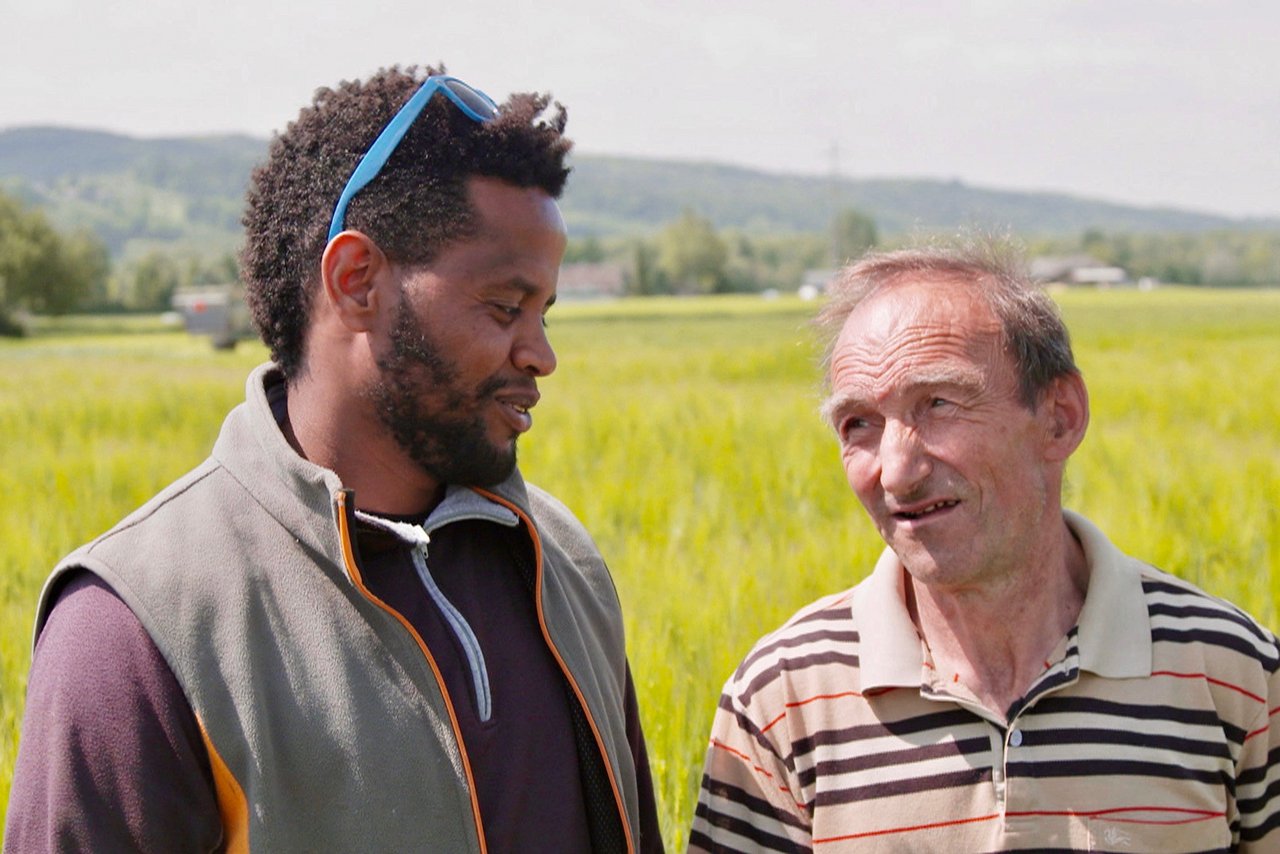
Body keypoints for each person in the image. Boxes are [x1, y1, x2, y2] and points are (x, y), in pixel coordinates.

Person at [6, 65, 663, 853]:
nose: (542, 354)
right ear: (357, 282)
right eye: (504, 307)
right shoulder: (134, 630)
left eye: (546, 312)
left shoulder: (564, 564)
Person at [689, 241, 1280, 852]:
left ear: (1060, 417)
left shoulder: (1235, 676)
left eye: (939, 404)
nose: (896, 471)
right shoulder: (783, 698)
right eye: (858, 423)